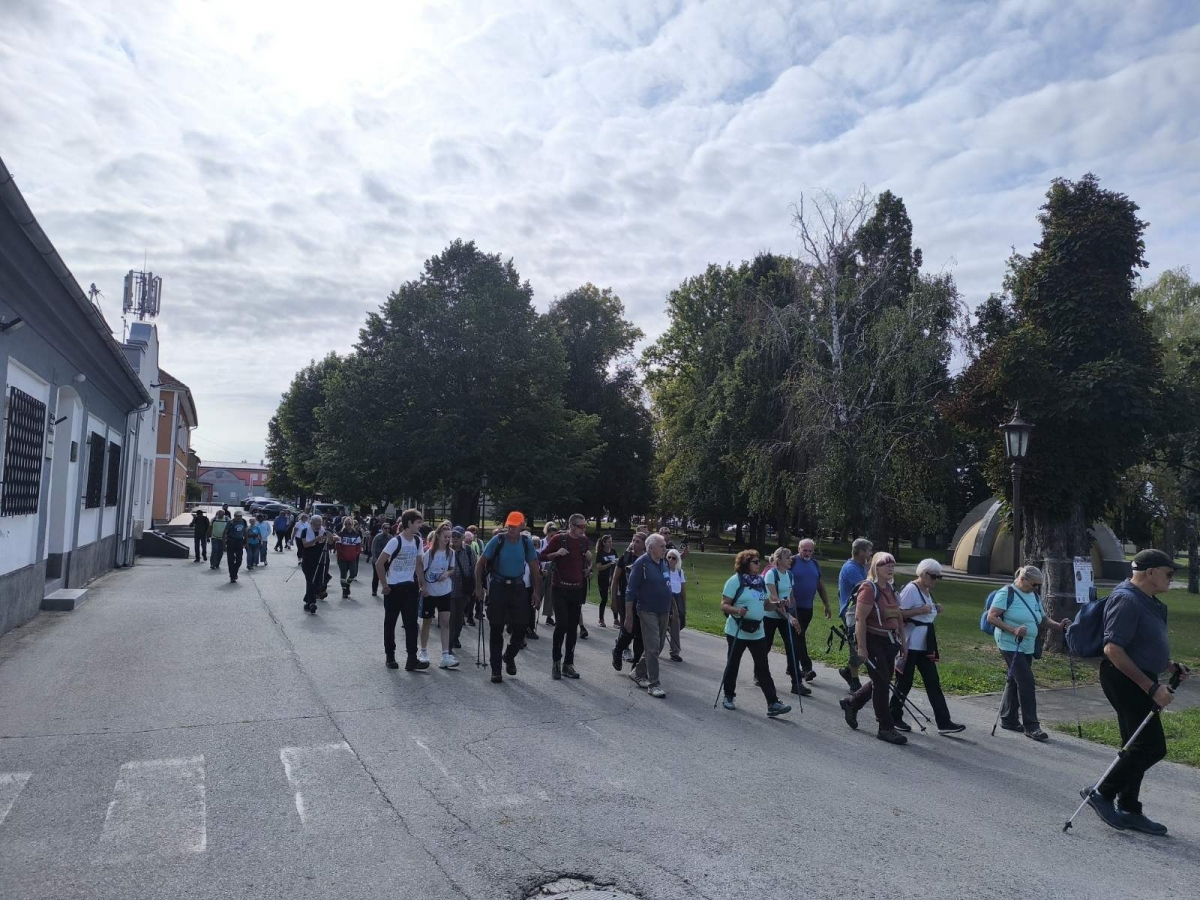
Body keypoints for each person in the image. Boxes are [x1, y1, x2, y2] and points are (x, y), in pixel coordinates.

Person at [1086, 549, 1191, 834]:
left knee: (1134, 744)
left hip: (1140, 676)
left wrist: (1168, 665)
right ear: (1150, 572)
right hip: (1123, 678)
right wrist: (1152, 688)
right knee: (1151, 746)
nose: (1172, 578)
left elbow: (1141, 643)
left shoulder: (1149, 601)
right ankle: (1102, 793)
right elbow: (1113, 649)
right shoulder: (1127, 599)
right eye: (1169, 573)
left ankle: (1129, 807)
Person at [986, 564, 1070, 742]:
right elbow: (991, 617)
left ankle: (1008, 719)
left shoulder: (1034, 596)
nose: (1037, 588)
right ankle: (1031, 726)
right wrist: (1013, 630)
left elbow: (1042, 619)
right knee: (1026, 682)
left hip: (1027, 645)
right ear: (1023, 579)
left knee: (1015, 680)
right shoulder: (1006, 593)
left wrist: (1058, 626)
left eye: (1039, 585)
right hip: (1010, 644)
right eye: (1034, 584)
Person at [890, 559, 965, 735]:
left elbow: (925, 611)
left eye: (938, 577)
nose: (935, 580)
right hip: (910, 643)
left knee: (933, 682)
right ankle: (893, 715)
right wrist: (920, 611)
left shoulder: (926, 590)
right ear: (923, 574)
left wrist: (934, 609)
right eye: (933, 576)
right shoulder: (911, 589)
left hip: (925, 644)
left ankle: (944, 722)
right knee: (904, 682)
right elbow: (897, 613)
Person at [839, 552, 908, 745]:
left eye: (892, 565)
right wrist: (862, 648)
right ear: (875, 567)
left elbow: (898, 617)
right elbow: (860, 619)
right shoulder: (869, 588)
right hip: (872, 640)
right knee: (882, 683)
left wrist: (904, 642)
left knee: (882, 679)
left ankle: (852, 703)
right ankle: (885, 727)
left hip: (889, 641)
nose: (890, 568)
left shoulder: (890, 588)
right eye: (886, 564)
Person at [718, 550, 792, 718]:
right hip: (737, 630)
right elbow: (724, 605)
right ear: (745, 564)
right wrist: (737, 610)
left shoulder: (760, 581)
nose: (759, 564)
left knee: (763, 667)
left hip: (757, 632)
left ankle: (773, 703)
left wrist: (778, 604)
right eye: (755, 562)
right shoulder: (735, 580)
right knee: (733, 664)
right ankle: (728, 696)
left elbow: (766, 605)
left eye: (759, 561)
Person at [474, 512, 541, 684]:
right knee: (496, 628)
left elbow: (534, 567)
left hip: (518, 587)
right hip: (498, 586)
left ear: (522, 526)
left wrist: (536, 591)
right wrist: (478, 587)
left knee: (521, 627)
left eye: (515, 526)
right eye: (509, 525)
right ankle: (496, 670)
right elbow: (480, 564)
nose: (511, 528)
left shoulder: (526, 542)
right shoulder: (498, 540)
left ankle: (509, 655)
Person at [539, 513, 592, 680]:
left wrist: (588, 568)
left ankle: (568, 664)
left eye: (585, 526)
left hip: (577, 588)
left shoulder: (584, 541)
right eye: (581, 526)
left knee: (572, 627)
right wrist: (557, 554)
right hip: (559, 588)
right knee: (561, 625)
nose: (583, 529)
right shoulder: (559, 539)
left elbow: (585, 562)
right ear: (571, 526)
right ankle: (556, 662)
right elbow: (542, 556)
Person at [375, 509, 429, 670]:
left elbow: (418, 564)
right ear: (409, 523)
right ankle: (390, 656)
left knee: (411, 625)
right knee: (390, 623)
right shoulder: (395, 541)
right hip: (393, 588)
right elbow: (379, 563)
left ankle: (412, 659)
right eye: (418, 522)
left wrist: (422, 584)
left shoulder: (418, 541)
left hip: (410, 587)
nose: (420, 525)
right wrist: (385, 585)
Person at [624, 533, 674, 698]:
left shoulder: (664, 562)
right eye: (662, 546)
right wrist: (628, 616)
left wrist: (672, 609)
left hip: (664, 610)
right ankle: (654, 684)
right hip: (647, 610)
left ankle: (637, 672)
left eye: (665, 546)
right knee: (652, 647)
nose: (665, 549)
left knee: (658, 647)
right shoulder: (641, 564)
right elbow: (630, 591)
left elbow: (667, 586)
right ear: (651, 548)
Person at [763, 547, 810, 697]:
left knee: (792, 648)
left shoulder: (789, 574)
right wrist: (789, 617)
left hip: (785, 616)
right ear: (778, 560)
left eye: (790, 557)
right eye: (787, 557)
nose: (791, 560)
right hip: (770, 616)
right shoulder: (771, 574)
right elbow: (774, 600)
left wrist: (795, 616)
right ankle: (759, 674)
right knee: (765, 647)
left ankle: (797, 684)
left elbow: (791, 597)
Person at [788, 539, 831, 686]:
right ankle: (807, 669)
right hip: (793, 608)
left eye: (810, 551)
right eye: (804, 550)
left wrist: (826, 604)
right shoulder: (792, 562)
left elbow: (819, 584)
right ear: (799, 548)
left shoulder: (814, 564)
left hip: (808, 608)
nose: (807, 553)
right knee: (799, 636)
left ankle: (791, 666)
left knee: (797, 638)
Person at [419, 524, 458, 669]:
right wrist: (423, 587)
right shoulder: (429, 553)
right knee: (427, 622)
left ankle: (445, 655)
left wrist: (447, 573)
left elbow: (452, 569)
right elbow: (420, 572)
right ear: (438, 536)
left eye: (449, 537)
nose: (447, 539)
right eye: (445, 536)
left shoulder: (451, 553)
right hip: (430, 593)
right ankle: (423, 652)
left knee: (445, 623)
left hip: (445, 592)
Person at [837, 538, 872, 691]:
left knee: (864, 643)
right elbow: (866, 588)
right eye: (869, 550)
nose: (871, 553)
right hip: (851, 612)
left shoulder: (860, 566)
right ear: (861, 552)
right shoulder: (850, 568)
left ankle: (847, 671)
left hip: (861, 610)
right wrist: (872, 572)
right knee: (857, 644)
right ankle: (854, 681)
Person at [611, 532, 647, 665]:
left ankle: (636, 664)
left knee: (641, 633)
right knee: (628, 629)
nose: (634, 544)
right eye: (633, 540)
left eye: (638, 541)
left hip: (642, 601)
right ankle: (618, 651)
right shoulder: (625, 557)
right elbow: (615, 579)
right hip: (626, 599)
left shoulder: (647, 559)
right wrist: (613, 599)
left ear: (644, 545)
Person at [449, 527, 477, 645]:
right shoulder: (446, 550)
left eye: (458, 536)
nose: (455, 538)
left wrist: (477, 586)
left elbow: (475, 569)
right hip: (448, 590)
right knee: (451, 616)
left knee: (459, 616)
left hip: (463, 589)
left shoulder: (469, 551)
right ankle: (449, 644)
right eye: (453, 535)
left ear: (463, 538)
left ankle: (455, 637)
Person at [665, 548, 687, 662]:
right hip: (666, 598)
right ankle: (654, 649)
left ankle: (675, 651)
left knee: (676, 624)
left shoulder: (679, 572)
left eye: (673, 558)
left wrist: (684, 604)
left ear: (677, 560)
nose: (671, 560)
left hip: (677, 599)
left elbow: (682, 589)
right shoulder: (664, 571)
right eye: (669, 557)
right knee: (663, 625)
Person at [335, 518, 363, 599]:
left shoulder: (356, 534)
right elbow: (337, 545)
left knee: (353, 573)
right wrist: (341, 554)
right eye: (346, 524)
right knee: (343, 575)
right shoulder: (340, 534)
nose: (347, 525)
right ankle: (344, 591)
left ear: (352, 524)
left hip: (352, 557)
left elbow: (358, 546)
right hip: (342, 558)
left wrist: (356, 553)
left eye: (349, 524)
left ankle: (347, 584)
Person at [594, 534, 618, 627]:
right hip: (603, 578)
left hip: (613, 577)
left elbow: (617, 562)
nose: (611, 543)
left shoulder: (613, 551)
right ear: (604, 543)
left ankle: (616, 619)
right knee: (604, 599)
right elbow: (599, 567)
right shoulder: (600, 553)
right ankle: (601, 619)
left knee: (614, 598)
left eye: (611, 541)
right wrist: (609, 564)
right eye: (609, 542)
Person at [224, 510, 250, 583]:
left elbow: (245, 532)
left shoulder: (243, 521)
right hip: (231, 541)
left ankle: (234, 572)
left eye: (240, 516)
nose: (239, 517)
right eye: (237, 516)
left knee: (239, 560)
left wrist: (246, 542)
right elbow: (225, 532)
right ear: (234, 516)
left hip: (239, 541)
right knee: (231, 560)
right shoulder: (230, 522)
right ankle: (232, 576)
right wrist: (224, 544)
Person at [370, 520, 391, 597]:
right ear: (382, 529)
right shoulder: (377, 537)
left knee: (386, 576)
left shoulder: (390, 537)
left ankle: (386, 589)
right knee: (376, 576)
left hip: (386, 560)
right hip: (377, 559)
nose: (387, 530)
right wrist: (375, 559)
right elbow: (373, 548)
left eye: (388, 528)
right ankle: (374, 590)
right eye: (385, 528)